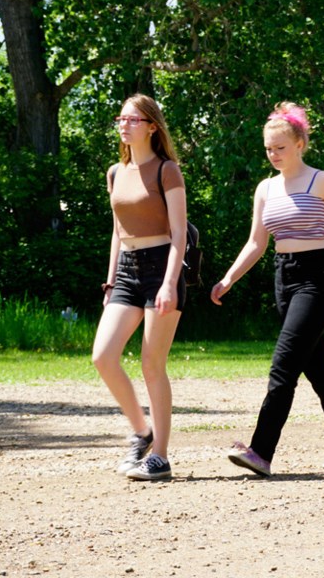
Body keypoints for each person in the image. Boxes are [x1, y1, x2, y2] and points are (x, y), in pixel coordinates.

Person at [211, 102, 324, 476]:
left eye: (280, 147)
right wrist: (228, 278)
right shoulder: (265, 189)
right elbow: (256, 244)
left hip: (319, 278)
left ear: (300, 144)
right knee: (318, 368)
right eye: (268, 148)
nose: (273, 154)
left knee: (284, 365)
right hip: (285, 277)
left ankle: (261, 451)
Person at [92, 94, 188, 481]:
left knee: (152, 364)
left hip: (161, 267)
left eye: (132, 119)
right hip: (128, 271)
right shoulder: (116, 172)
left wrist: (168, 284)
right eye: (121, 118)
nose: (123, 124)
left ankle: (160, 456)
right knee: (103, 355)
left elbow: (179, 233)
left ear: (151, 126)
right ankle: (141, 431)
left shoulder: (167, 170)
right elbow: (118, 232)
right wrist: (111, 279)